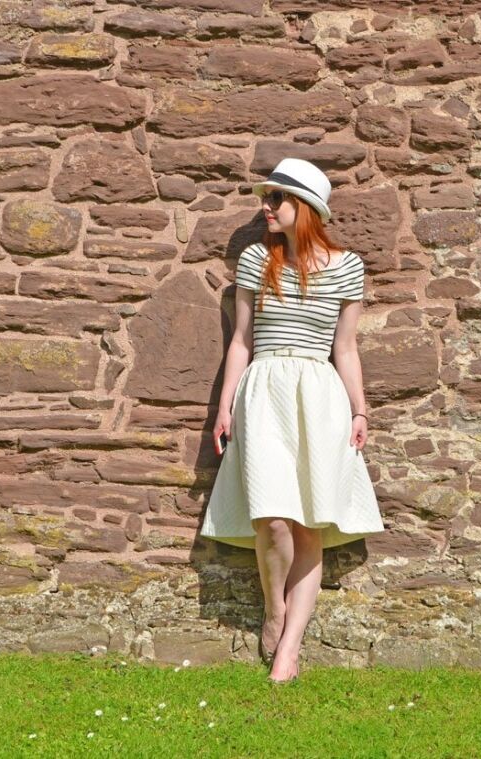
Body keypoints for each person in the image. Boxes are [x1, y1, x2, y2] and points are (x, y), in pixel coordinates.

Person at [200, 158, 384, 683]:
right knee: (273, 519)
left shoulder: (348, 266)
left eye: (275, 199)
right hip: (264, 392)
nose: (265, 207)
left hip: (318, 395)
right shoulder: (258, 259)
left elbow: (345, 349)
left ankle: (290, 648)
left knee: (309, 526)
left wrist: (359, 408)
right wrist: (224, 405)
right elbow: (241, 340)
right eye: (266, 197)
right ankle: (275, 608)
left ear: (302, 208)